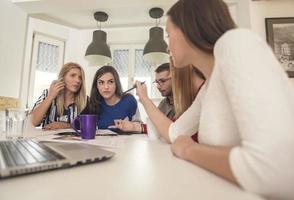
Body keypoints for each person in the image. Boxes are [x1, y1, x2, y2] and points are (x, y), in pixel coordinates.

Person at [141, 0, 294, 199]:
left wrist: (190, 150)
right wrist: (144, 98)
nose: (167, 45)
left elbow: (277, 170)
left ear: (189, 28)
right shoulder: (210, 85)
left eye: (169, 35)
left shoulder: (236, 42)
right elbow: (174, 133)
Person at [113, 63, 175, 133]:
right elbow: (155, 126)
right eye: (157, 82)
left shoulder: (186, 103)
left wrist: (144, 97)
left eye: (162, 81)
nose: (158, 86)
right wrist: (132, 126)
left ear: (176, 79)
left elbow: (173, 130)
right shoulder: (164, 103)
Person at [81, 65, 141, 131]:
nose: (106, 87)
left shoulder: (129, 101)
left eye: (110, 82)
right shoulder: (94, 103)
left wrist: (132, 126)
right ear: (96, 86)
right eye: (101, 82)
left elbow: (140, 126)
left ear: (116, 83)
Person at [31, 62, 87, 130]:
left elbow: (89, 127)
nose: (78, 80)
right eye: (72, 75)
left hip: (74, 140)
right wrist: (50, 96)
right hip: (47, 140)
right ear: (62, 77)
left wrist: (67, 126)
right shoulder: (47, 94)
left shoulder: (86, 101)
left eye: (80, 78)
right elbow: (32, 122)